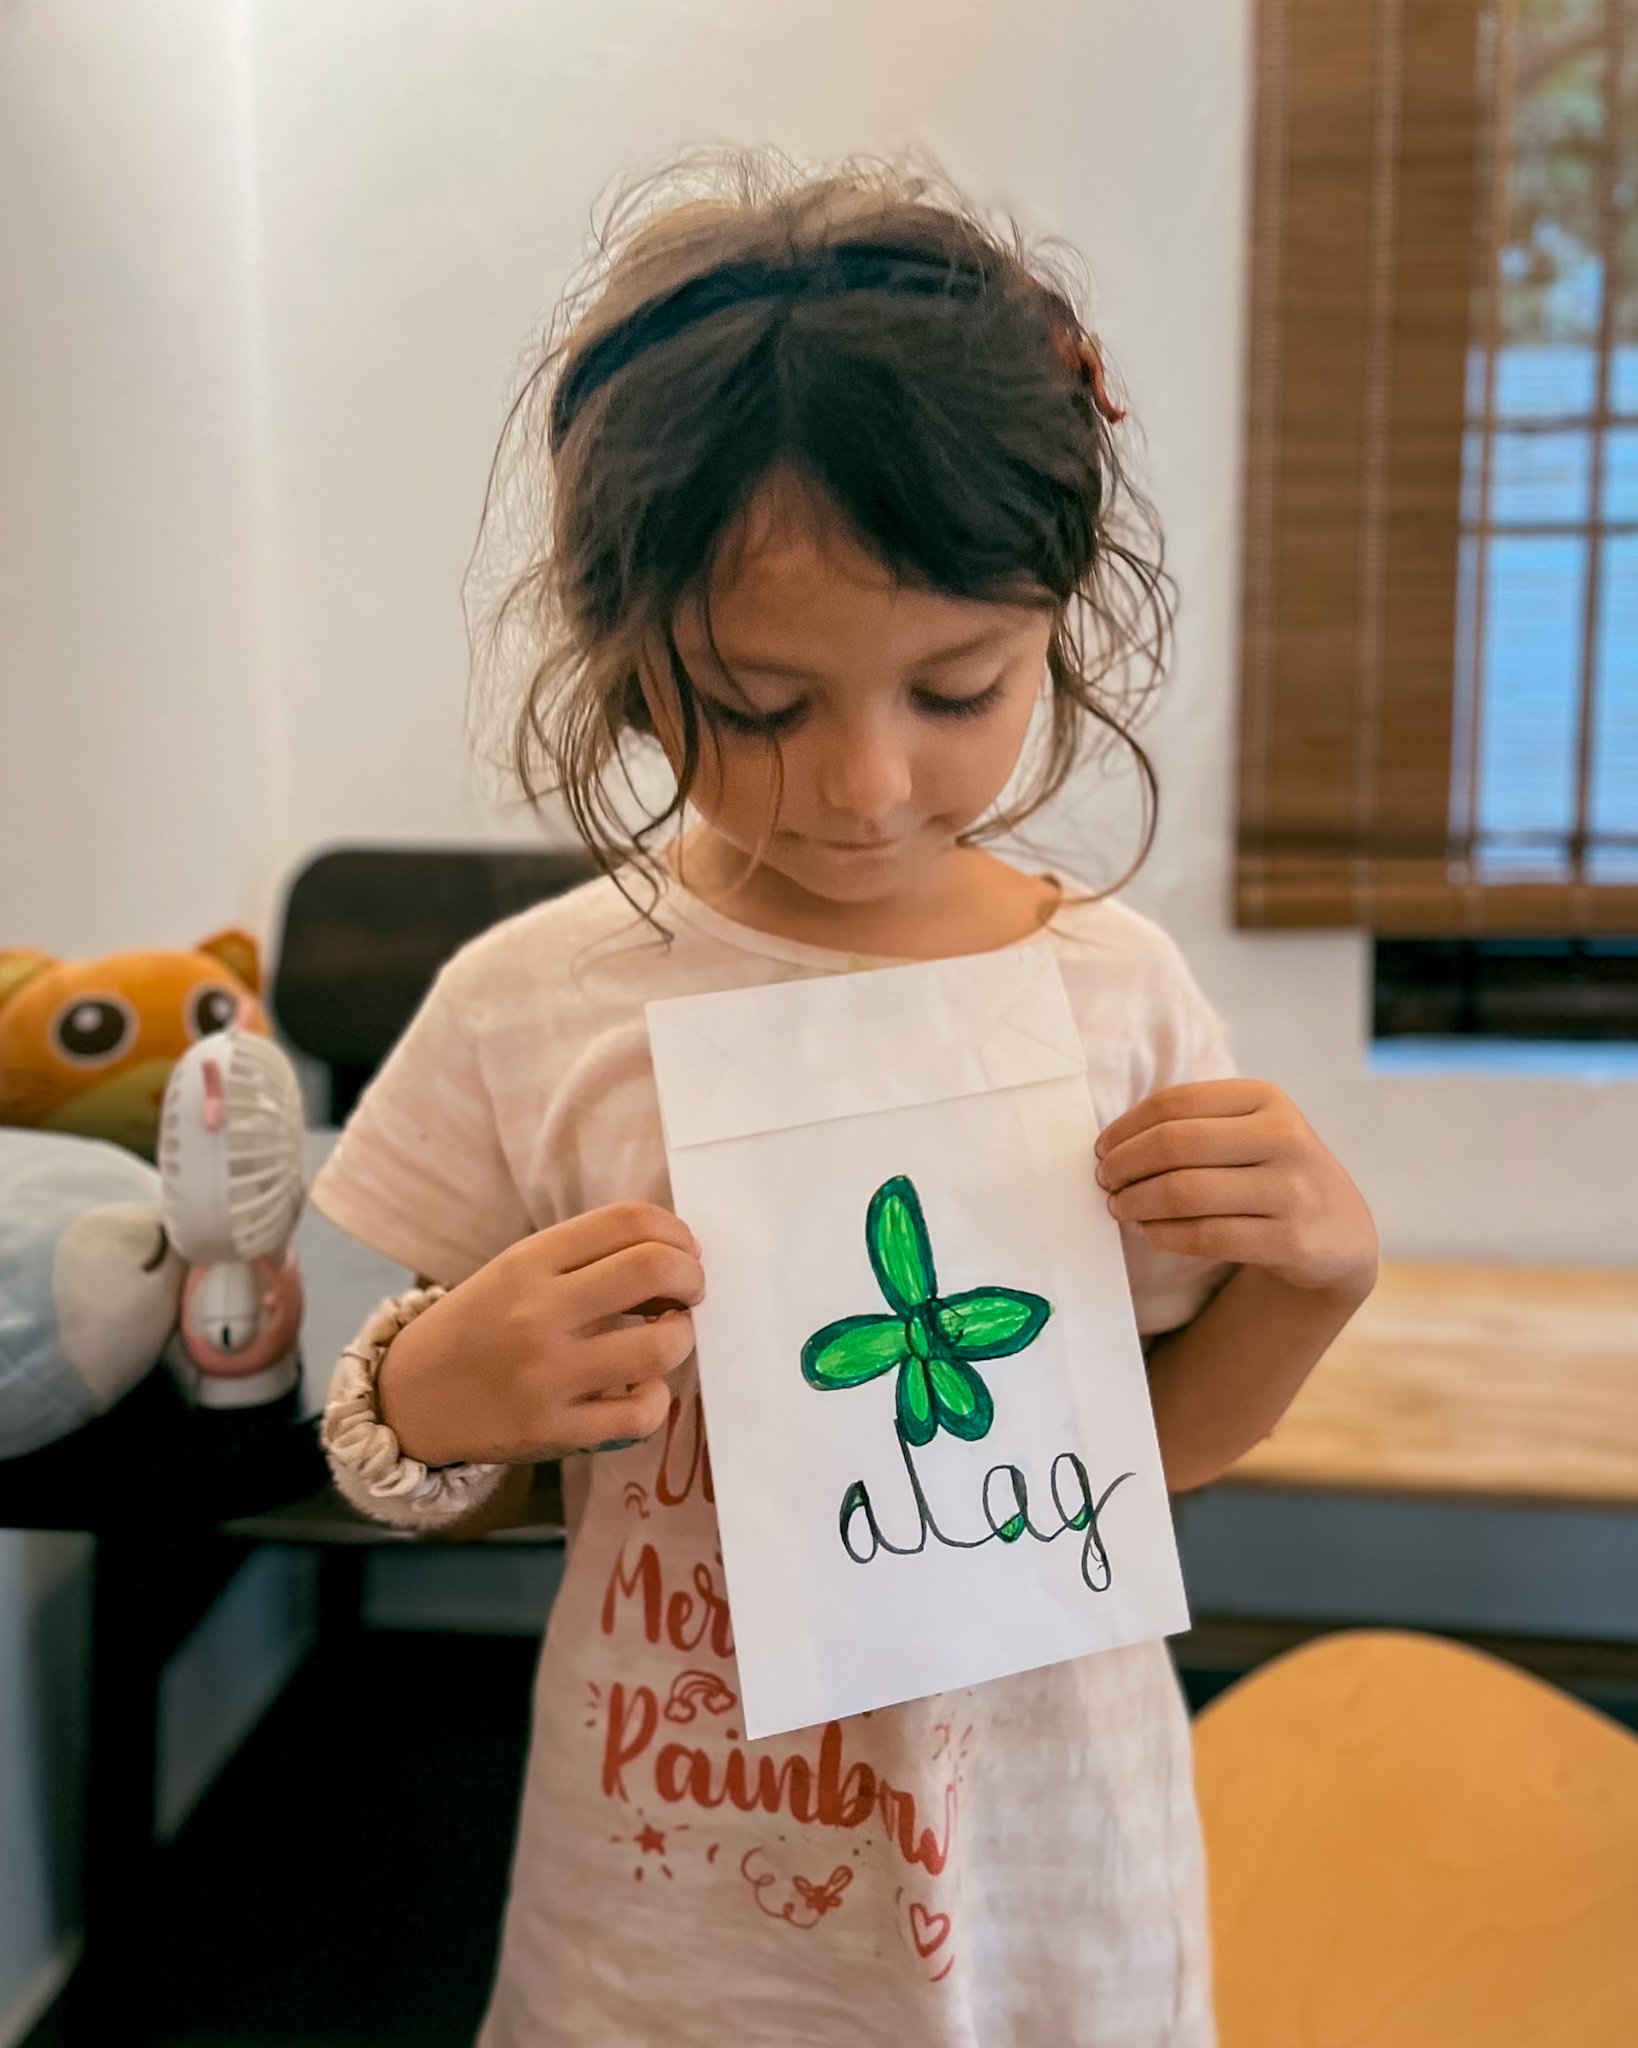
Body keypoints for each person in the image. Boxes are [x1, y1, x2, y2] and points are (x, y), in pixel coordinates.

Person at [314, 149, 1378, 2048]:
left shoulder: (1113, 994)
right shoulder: (532, 1003)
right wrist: (427, 1394)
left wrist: (1313, 1279)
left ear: (1058, 618)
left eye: (958, 688)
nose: (865, 786)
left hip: (1052, 1881)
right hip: (667, 1909)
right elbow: (407, 1438)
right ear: (628, 664)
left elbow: (1148, 1459)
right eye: (758, 702)